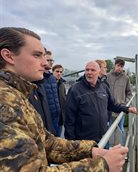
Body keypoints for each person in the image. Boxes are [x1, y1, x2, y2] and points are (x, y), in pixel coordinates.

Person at [0, 27, 128, 171]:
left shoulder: (17, 94)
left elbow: (47, 143)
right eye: (37, 55)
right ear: (8, 56)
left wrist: (91, 151)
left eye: (44, 56)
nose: (46, 63)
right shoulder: (5, 103)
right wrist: (103, 165)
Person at [64, 61, 137, 144]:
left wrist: (127, 109)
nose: (89, 73)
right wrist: (71, 142)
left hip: (102, 137)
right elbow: (69, 118)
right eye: (87, 70)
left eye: (93, 70)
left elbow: (112, 105)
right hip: (83, 140)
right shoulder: (75, 90)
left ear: (98, 72)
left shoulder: (103, 88)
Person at [107, 58, 133, 145]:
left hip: (120, 110)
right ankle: (108, 150)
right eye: (118, 65)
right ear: (114, 65)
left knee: (120, 129)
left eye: (121, 66)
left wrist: (125, 104)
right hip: (109, 110)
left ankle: (121, 149)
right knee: (108, 130)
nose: (119, 68)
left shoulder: (126, 78)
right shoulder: (107, 77)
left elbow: (129, 93)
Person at [43, 50, 62, 136]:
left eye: (51, 60)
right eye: (48, 60)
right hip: (47, 119)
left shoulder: (52, 79)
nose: (50, 62)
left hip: (57, 116)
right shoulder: (38, 78)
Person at [52, 64, 66, 134]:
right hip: (52, 119)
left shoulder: (62, 85)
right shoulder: (48, 84)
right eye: (57, 71)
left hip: (61, 118)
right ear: (53, 72)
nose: (59, 73)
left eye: (60, 72)